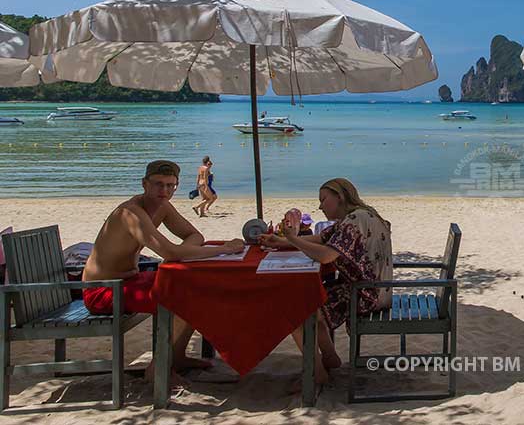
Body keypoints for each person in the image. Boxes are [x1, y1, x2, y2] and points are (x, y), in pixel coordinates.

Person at [82, 160, 244, 381]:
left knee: (195, 287)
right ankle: (158, 368)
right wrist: (223, 250)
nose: (165, 191)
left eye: (171, 185)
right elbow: (170, 253)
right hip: (102, 290)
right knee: (181, 297)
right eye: (158, 184)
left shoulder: (163, 207)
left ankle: (176, 357)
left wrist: (184, 251)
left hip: (131, 279)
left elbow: (195, 236)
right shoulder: (131, 213)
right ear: (144, 184)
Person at [259, 178, 392, 386]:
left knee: (294, 310)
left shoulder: (354, 220)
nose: (320, 206)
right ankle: (329, 357)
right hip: (374, 289)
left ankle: (317, 373)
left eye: (323, 200)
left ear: (340, 197)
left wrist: (293, 239)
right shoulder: (359, 215)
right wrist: (282, 242)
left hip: (365, 295)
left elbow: (325, 256)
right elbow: (322, 239)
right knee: (306, 298)